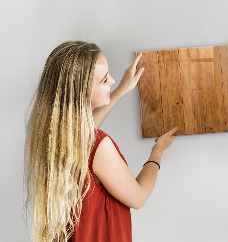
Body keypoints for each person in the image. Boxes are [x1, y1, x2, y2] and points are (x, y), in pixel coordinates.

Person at [24, 41, 177, 242]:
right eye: (105, 80)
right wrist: (157, 152)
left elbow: (86, 132)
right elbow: (139, 197)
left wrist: (122, 89)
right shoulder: (99, 146)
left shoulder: (52, 136)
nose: (112, 80)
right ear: (82, 93)